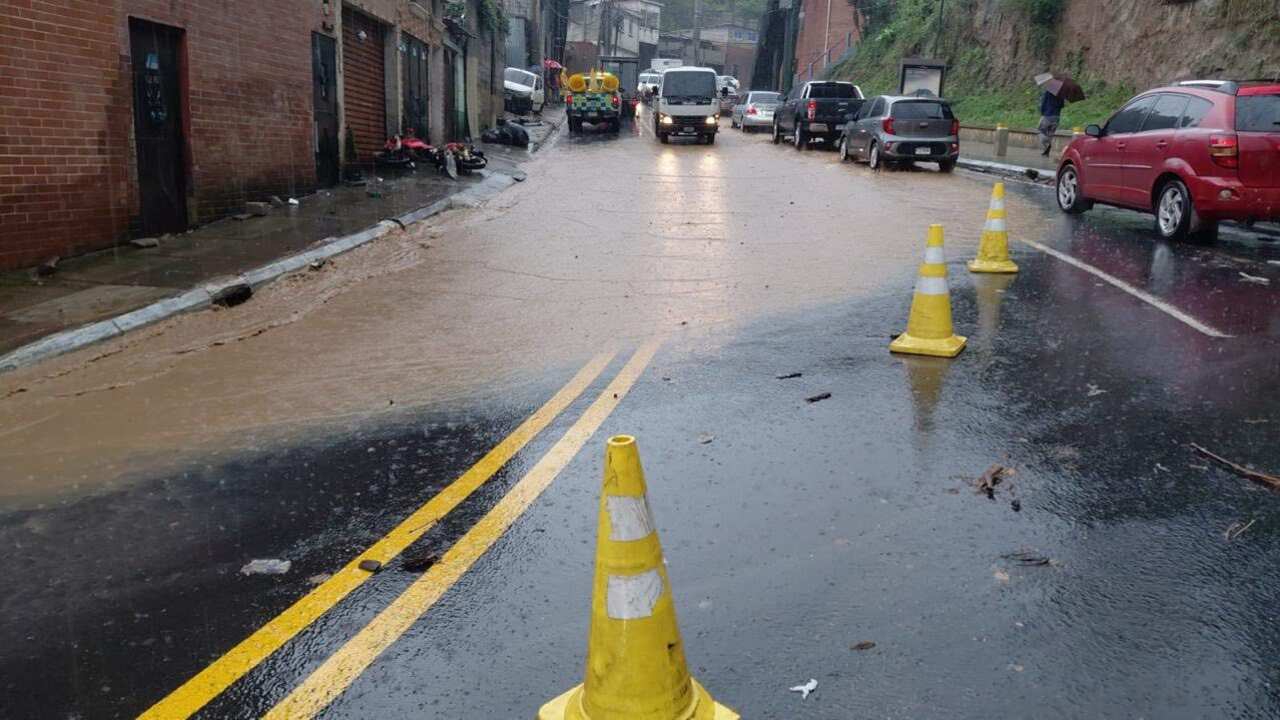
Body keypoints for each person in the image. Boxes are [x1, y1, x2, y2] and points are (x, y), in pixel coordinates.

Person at [1038, 89, 1064, 156]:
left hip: (1047, 115)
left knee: (1040, 130)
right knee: (1050, 134)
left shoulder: (1048, 91)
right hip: (1057, 117)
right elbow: (1062, 105)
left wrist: (1042, 112)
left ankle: (1047, 145)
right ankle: (1046, 151)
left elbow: (1043, 103)